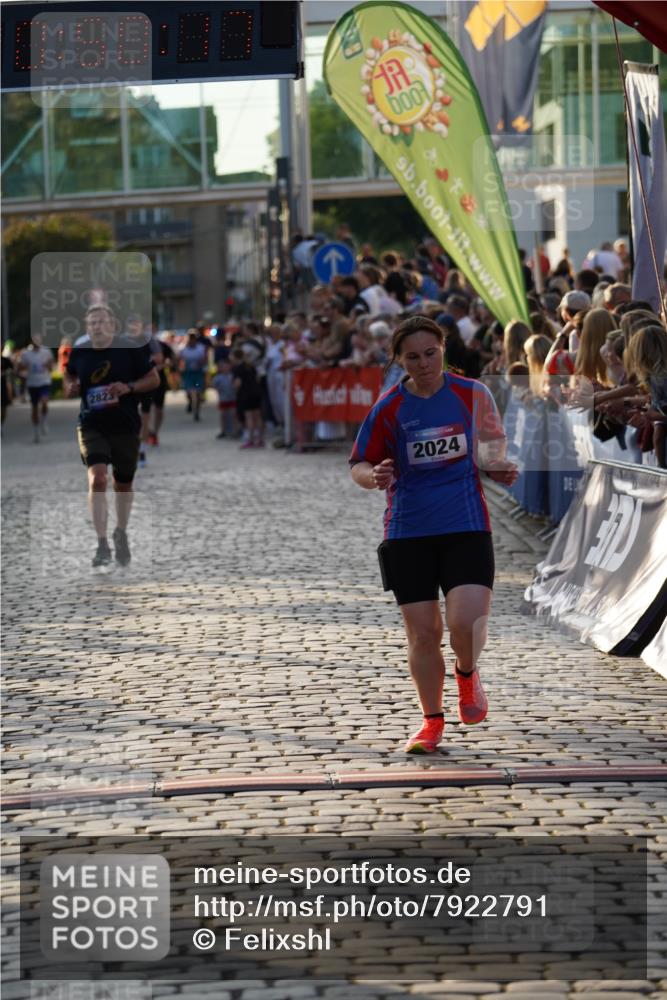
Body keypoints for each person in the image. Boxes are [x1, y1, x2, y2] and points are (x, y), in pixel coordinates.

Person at [349, 316, 518, 754]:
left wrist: (497, 467)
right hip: (409, 531)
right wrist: (375, 475)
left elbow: (490, 451)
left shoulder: (473, 395)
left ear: (444, 349)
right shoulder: (389, 407)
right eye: (412, 357)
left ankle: (467, 673)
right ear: (399, 360)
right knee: (423, 635)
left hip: (464, 524)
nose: (423, 363)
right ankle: (431, 722)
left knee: (465, 623)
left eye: (431, 353)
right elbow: (359, 465)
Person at [64, 304, 159, 568]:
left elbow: (154, 379)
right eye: (92, 323)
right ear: (87, 327)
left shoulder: (129, 349)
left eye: (101, 321)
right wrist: (70, 386)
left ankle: (121, 532)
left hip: (125, 426)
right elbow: (69, 372)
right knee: (98, 478)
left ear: (112, 325)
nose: (96, 326)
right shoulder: (80, 351)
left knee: (123, 485)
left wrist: (129, 387)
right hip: (91, 424)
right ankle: (102, 542)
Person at [18, 334, 54, 443]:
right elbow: (19, 368)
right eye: (34, 339)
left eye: (38, 339)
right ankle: (36, 432)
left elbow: (51, 367)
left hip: (44, 382)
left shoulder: (46, 351)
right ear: (31, 341)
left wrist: (48, 365)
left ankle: (43, 421)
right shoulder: (25, 353)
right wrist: (24, 368)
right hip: (32, 384)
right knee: (34, 409)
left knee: (44, 403)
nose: (36, 341)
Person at [180, 329, 208, 421]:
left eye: (194, 338)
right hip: (188, 373)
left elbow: (205, 359)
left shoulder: (201, 348)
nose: (192, 340)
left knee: (198, 393)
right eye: (190, 338)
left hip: (198, 372)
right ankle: (191, 402)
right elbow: (180, 360)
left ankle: (197, 412)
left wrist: (202, 364)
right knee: (189, 392)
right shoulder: (184, 349)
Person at [213, 359, 237, 438]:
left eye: (227, 367)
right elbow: (215, 386)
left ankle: (234, 430)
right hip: (223, 399)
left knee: (233, 414)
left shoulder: (233, 376)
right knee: (223, 415)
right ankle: (223, 430)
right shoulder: (218, 378)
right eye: (224, 367)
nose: (226, 368)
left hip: (232, 398)